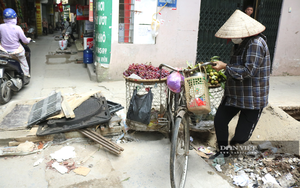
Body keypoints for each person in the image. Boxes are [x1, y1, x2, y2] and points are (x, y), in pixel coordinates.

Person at [209, 10, 271, 159]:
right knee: (219, 120)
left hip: (252, 97)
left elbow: (248, 71)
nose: (231, 38)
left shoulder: (256, 44)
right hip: (235, 94)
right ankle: (223, 152)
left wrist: (225, 67)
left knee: (241, 137)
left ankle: (235, 145)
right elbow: (237, 66)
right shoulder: (240, 43)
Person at [0, 8, 31, 82]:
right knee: (24, 62)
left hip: (3, 52)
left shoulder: (0, 27)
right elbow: (24, 41)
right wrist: (28, 40)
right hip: (16, 52)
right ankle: (26, 75)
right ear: (15, 18)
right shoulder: (17, 28)